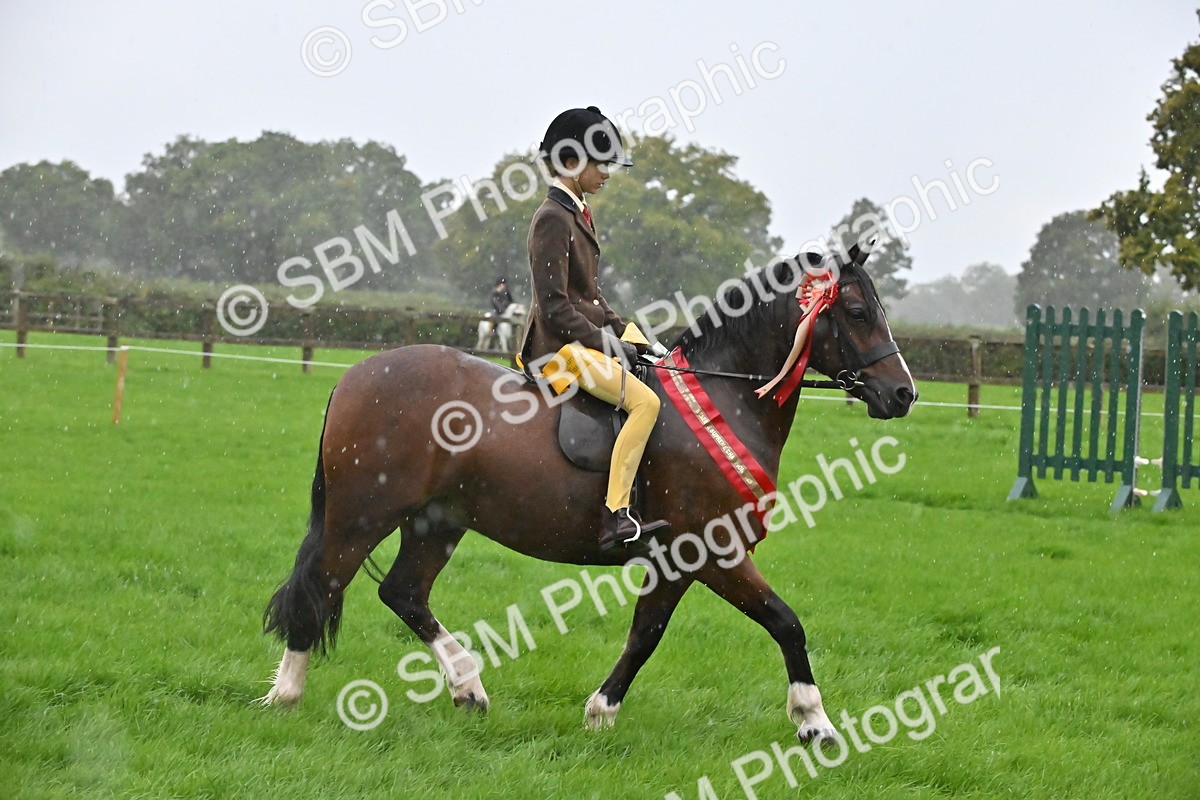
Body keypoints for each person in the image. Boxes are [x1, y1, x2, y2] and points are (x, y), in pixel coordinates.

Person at [518, 106, 670, 551]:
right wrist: (609, 345)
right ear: (571, 162)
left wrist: (636, 338)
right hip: (558, 351)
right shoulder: (552, 217)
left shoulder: (577, 213)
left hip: (578, 342)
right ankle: (615, 515)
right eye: (600, 164)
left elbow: (592, 297)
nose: (606, 173)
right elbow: (554, 308)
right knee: (645, 403)